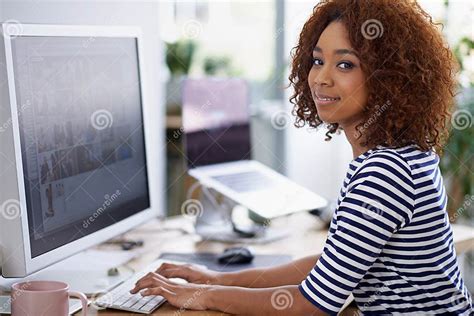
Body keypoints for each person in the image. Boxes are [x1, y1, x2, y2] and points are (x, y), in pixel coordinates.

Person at [130, 0, 473, 314]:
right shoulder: (403, 156)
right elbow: (333, 264)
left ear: (390, 80)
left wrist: (200, 296)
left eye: (345, 64)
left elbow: (311, 305)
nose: (321, 78)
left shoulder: (384, 173)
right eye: (318, 60)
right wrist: (216, 278)